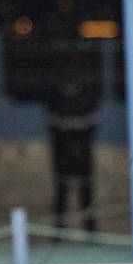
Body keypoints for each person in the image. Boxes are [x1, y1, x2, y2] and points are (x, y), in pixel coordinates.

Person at [44, 76, 100, 231]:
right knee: (61, 191)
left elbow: (92, 124)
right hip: (62, 156)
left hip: (83, 155)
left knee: (86, 192)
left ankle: (91, 231)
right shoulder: (55, 98)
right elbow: (53, 126)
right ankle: (59, 231)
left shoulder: (87, 97)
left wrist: (73, 128)